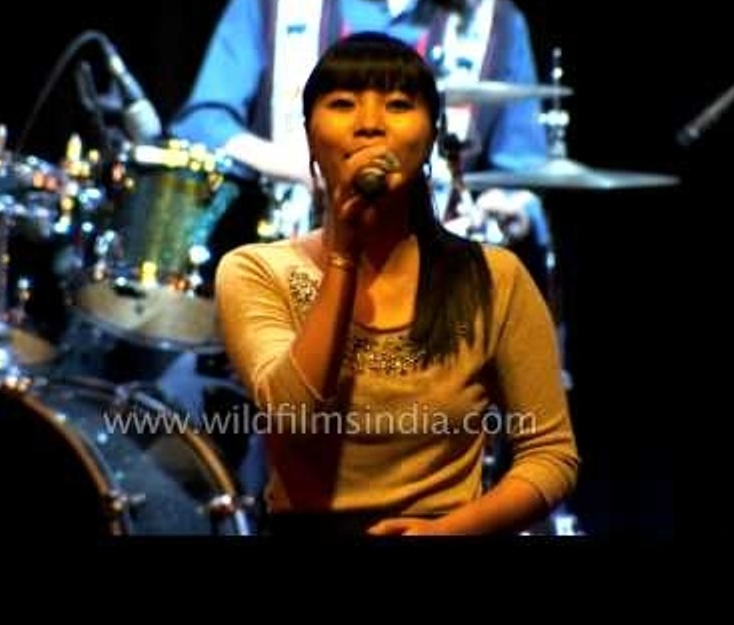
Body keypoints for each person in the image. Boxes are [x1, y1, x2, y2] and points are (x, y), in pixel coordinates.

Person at [213, 32, 578, 536]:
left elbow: (551, 455)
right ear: (310, 136)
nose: (369, 124)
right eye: (342, 104)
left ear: (431, 137)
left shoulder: (493, 278)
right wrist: (344, 256)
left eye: (398, 104)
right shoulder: (254, 271)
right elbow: (294, 415)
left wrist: (449, 531)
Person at [169, 0, 553, 270]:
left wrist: (511, 208)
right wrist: (300, 164)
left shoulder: (496, 20)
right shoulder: (270, 2)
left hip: (432, 278)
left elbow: (520, 173)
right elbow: (203, 125)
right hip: (290, 258)